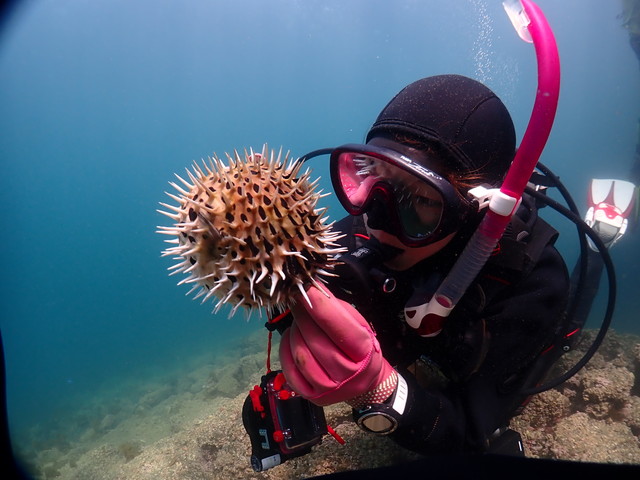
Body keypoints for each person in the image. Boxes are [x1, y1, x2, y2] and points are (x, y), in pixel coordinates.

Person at [276, 74, 572, 454]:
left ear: (472, 212)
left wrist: (378, 388)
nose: (377, 218)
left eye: (421, 200)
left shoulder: (534, 280)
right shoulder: (355, 234)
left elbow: (471, 428)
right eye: (370, 177)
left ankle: (602, 239)